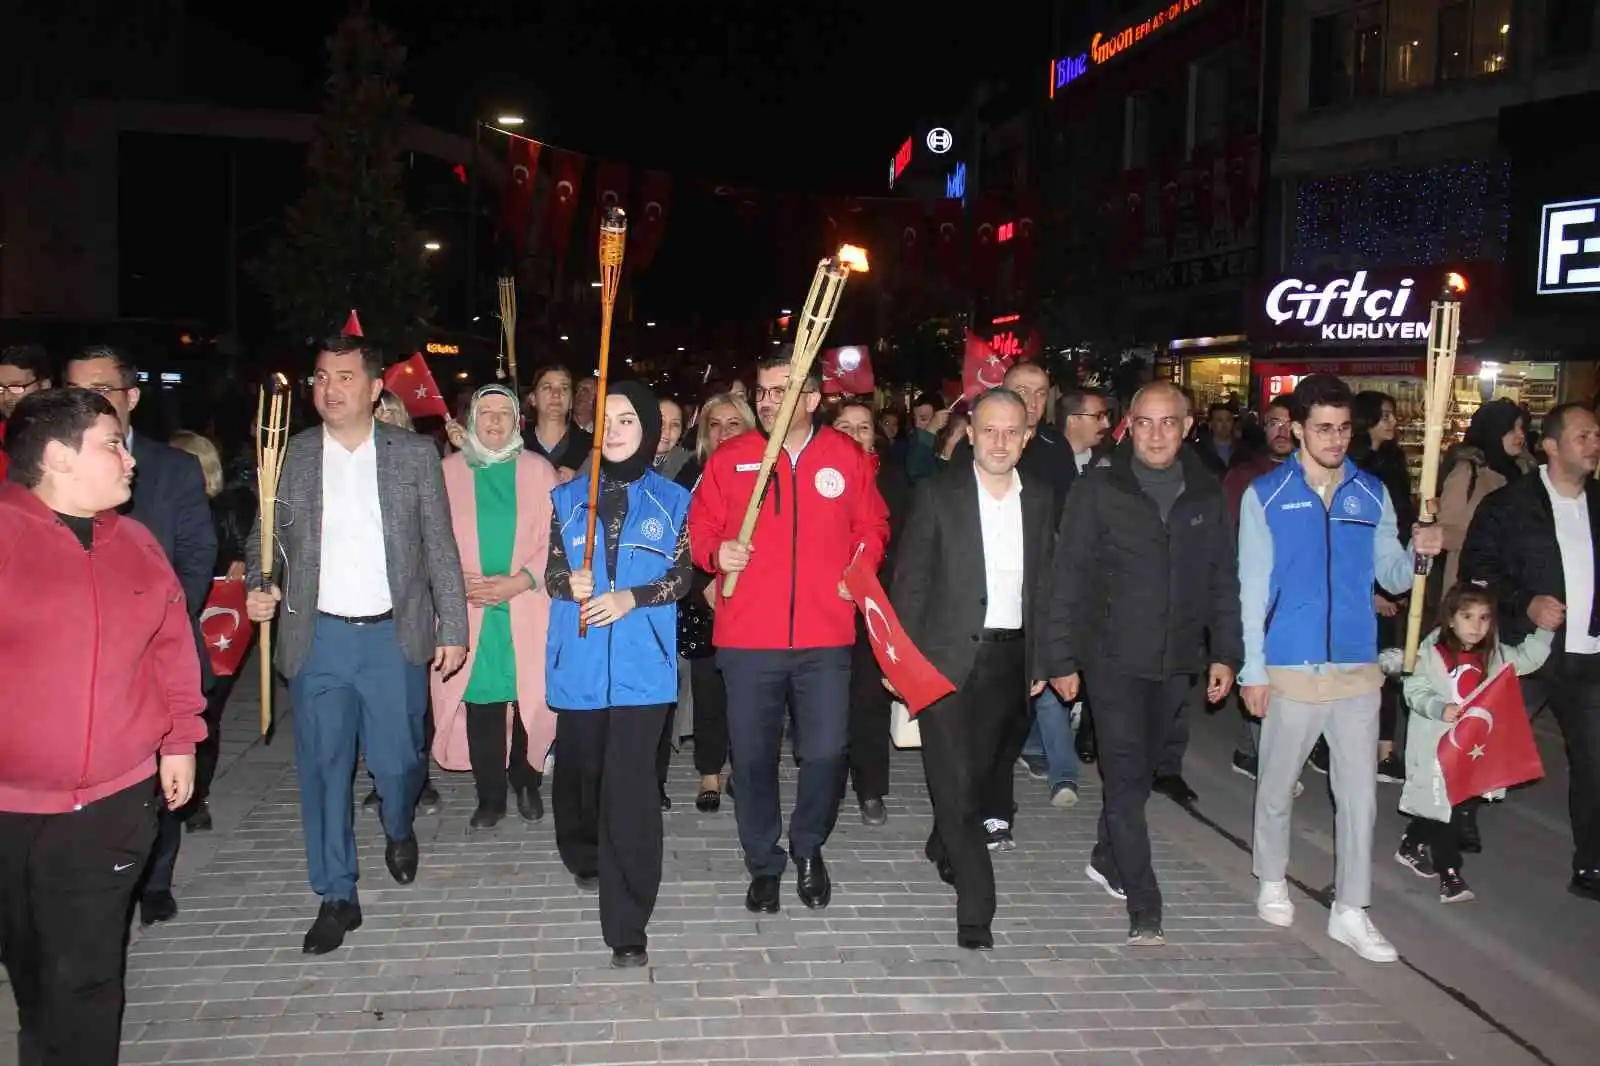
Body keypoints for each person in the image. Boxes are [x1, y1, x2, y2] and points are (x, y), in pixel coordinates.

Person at [245, 334, 469, 955]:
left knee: (399, 763)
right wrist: (261, 584)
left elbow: (440, 548)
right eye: (320, 377)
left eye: (343, 377)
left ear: (374, 389)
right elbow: (262, 541)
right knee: (323, 771)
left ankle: (399, 824)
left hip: (393, 637)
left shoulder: (412, 455)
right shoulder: (293, 456)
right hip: (318, 639)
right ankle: (336, 894)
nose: (329, 389)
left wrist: (453, 628)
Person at [0, 389, 204, 1066]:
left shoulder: (137, 543)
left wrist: (179, 739)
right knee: (31, 969)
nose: (130, 459)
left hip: (113, 801)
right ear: (59, 457)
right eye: (111, 444)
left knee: (86, 973)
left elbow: (173, 648)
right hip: (9, 805)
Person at [1238, 374, 1442, 963]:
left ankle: (1352, 909)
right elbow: (1252, 589)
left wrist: (1421, 553)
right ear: (1297, 428)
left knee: (1359, 799)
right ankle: (1272, 877)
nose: (1334, 439)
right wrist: (1254, 669)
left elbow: (1396, 578)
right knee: (1277, 787)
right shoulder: (1267, 496)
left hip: (1356, 670)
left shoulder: (1370, 494)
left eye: (1344, 428)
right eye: (1323, 428)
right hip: (1291, 667)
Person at [687, 350, 889, 913]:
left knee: (826, 752)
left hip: (826, 637)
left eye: (781, 390)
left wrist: (861, 565)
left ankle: (808, 846)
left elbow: (872, 525)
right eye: (763, 391)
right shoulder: (732, 458)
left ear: (812, 399)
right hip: (749, 638)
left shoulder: (844, 456)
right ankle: (763, 861)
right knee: (752, 758)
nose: (768, 401)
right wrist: (715, 551)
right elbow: (699, 528)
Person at [1042, 382, 1241, 946]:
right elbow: (1068, 577)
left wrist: (1226, 652)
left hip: (1176, 662)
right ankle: (1144, 898)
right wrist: (1060, 657)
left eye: (1169, 423)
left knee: (1143, 772)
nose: (1157, 435)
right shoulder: (1100, 489)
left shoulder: (1205, 493)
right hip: (1112, 661)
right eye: (1146, 423)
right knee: (1125, 778)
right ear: (1128, 425)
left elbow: (1223, 579)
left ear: (1186, 425)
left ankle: (1107, 856)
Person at [891, 388, 1056, 948]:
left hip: (1012, 660)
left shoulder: (1041, 498)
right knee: (958, 786)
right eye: (989, 430)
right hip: (945, 658)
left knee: (983, 772)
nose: (1001, 442)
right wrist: (901, 661)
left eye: (1012, 431)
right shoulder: (938, 494)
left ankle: (944, 841)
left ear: (1028, 436)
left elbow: (1047, 584)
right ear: (969, 433)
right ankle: (976, 908)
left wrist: (1046, 658)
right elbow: (910, 584)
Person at [64, 345, 217, 928]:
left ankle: (156, 879)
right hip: (81, 665)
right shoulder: (42, 481)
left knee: (164, 774)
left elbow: (198, 553)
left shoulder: (170, 467)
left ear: (130, 397)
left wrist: (162, 624)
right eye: (75, 390)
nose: (88, 403)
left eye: (102, 390)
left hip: (159, 648)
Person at [546, 381, 691, 968]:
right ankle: (582, 851)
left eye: (627, 420)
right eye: (606, 419)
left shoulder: (673, 501)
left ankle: (628, 922)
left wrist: (633, 597)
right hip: (580, 663)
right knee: (583, 777)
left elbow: (684, 576)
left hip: (641, 668)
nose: (615, 429)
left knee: (629, 793)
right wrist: (568, 583)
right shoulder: (567, 500)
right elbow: (555, 573)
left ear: (649, 431)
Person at [1459, 402, 1600, 900]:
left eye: (1597, 436)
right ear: (1552, 445)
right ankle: (1457, 819)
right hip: (1529, 654)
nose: (1594, 445)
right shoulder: (1511, 505)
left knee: (1594, 761)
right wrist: (1525, 603)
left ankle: (1591, 865)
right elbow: (1475, 573)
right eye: (1583, 436)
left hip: (1589, 658)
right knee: (1486, 741)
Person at [429, 386, 557, 829]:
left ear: (519, 420)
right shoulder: (445, 472)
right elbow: (428, 537)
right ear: (471, 419)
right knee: (481, 701)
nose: (496, 421)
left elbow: (558, 539)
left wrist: (520, 581)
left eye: (506, 413)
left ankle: (527, 781)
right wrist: (452, 581)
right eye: (487, 412)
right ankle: (490, 795)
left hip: (527, 603)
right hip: (470, 607)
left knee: (529, 700)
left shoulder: (539, 471)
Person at [1396, 582, 1552, 903]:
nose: (1476, 626)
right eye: (1467, 617)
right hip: (1436, 747)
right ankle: (1450, 874)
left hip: (1473, 748)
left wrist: (1544, 631)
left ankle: (1412, 843)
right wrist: (1440, 707)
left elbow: (1527, 659)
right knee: (1445, 808)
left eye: (1484, 618)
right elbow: (1415, 690)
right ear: (1451, 618)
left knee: (1450, 806)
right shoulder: (1432, 651)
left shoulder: (1493, 654)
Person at [168, 429, 258, 833]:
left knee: (207, 710)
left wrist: (241, 558)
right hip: (173, 621)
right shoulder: (158, 508)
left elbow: (247, 552)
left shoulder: (227, 506)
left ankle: (197, 795)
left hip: (215, 622)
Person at [832, 398, 909, 824]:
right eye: (844, 426)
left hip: (874, 607)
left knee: (869, 700)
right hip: (824, 606)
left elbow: (906, 548)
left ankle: (871, 789)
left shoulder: (894, 480)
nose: (854, 435)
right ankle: (829, 783)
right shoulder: (816, 476)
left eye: (863, 428)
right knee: (826, 701)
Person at [678, 391, 755, 811]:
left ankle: (745, 771)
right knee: (709, 691)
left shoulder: (765, 469)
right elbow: (674, 539)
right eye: (715, 424)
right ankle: (709, 772)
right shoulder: (691, 473)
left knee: (750, 694)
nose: (724, 433)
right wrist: (700, 583)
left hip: (756, 600)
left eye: (734, 424)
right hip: (703, 597)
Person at [522, 364, 593, 481]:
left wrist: (580, 483)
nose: (556, 394)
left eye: (564, 388)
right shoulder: (518, 445)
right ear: (533, 399)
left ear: (571, 401)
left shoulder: (591, 447)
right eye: (547, 387)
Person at [0, 343, 53, 483]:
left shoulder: (73, 433)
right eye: (0, 388)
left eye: (16, 387)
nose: (6, 397)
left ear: (44, 385)